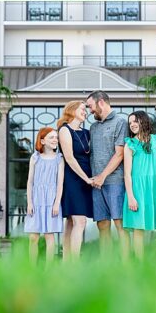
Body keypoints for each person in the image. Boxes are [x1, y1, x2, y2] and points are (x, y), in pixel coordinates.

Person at [86, 90, 130, 260]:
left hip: (115, 181)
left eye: (91, 106)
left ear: (101, 102)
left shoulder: (121, 122)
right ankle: (107, 265)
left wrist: (103, 176)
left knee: (120, 224)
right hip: (96, 184)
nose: (90, 111)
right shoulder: (93, 127)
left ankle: (126, 266)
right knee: (102, 224)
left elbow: (119, 154)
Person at [123, 110, 156, 257]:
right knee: (139, 229)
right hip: (138, 189)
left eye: (135, 121)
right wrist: (131, 196)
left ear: (143, 121)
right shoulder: (130, 144)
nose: (132, 124)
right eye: (130, 122)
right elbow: (127, 174)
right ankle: (141, 266)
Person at [57, 100, 94, 260]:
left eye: (86, 110)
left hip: (86, 178)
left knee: (72, 222)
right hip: (73, 179)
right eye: (82, 109)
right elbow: (70, 158)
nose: (85, 112)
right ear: (72, 111)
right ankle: (75, 262)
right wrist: (86, 178)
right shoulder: (64, 130)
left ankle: (66, 262)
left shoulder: (86, 133)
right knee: (80, 221)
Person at [24, 126, 64, 260]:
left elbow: (60, 183)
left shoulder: (59, 158)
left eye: (56, 137)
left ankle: (49, 270)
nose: (55, 140)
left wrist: (57, 203)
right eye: (51, 137)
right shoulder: (35, 158)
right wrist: (29, 202)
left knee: (49, 235)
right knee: (33, 237)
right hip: (36, 200)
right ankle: (31, 268)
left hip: (51, 200)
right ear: (42, 141)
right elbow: (30, 182)